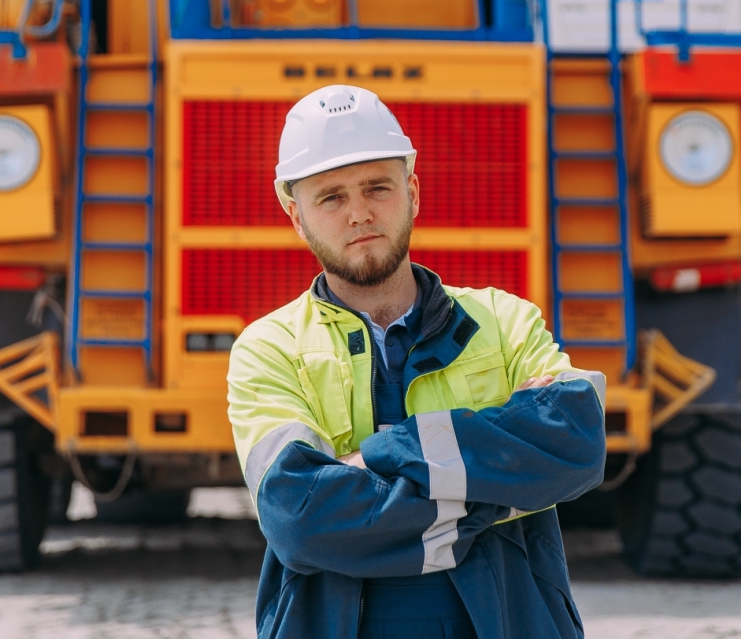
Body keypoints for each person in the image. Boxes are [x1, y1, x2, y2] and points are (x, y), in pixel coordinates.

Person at [227, 85, 607, 639]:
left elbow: (575, 441)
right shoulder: (269, 348)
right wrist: (496, 494)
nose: (359, 212)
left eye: (377, 187)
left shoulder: (502, 320)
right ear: (297, 216)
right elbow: (299, 517)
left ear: (411, 191)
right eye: (330, 197)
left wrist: (383, 453)